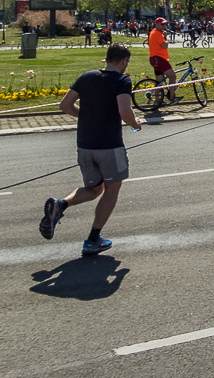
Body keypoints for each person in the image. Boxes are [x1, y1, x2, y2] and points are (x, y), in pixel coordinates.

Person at [39, 43, 143, 256]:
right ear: (124, 61)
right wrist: (135, 124)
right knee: (111, 191)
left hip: (85, 145)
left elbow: (65, 105)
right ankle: (93, 239)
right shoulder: (122, 80)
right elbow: (124, 111)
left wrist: (85, 116)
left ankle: (61, 204)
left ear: (107, 58)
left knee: (95, 189)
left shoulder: (86, 77)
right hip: (109, 145)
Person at [146, 17, 178, 105]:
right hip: (160, 59)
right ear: (156, 24)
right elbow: (165, 45)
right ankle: (172, 98)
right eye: (162, 24)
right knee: (172, 76)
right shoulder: (158, 34)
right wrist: (166, 38)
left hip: (154, 59)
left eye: (165, 24)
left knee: (159, 81)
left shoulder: (153, 32)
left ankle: (157, 99)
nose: (164, 26)